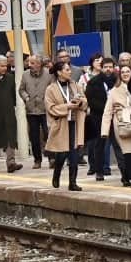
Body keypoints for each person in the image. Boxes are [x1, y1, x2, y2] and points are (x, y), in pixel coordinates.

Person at [44, 60, 87, 191]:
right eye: (67, 70)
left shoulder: (74, 85)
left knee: (74, 153)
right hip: (61, 124)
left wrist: (79, 102)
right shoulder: (50, 89)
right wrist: (67, 106)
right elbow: (50, 107)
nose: (70, 72)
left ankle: (72, 182)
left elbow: (85, 100)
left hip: (74, 122)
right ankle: (56, 174)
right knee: (62, 153)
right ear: (59, 72)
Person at [103, 62, 131, 187]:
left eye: (128, 71)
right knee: (128, 152)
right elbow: (107, 111)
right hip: (121, 124)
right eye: (123, 72)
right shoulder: (114, 91)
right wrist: (104, 131)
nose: (126, 74)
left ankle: (126, 175)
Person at [0, 56, 22, 173]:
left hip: (8, 112)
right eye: (2, 66)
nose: (5, 68)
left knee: (10, 137)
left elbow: (13, 94)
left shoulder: (10, 78)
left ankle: (11, 162)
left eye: (6, 65)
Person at [18, 55, 52, 169]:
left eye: (32, 63)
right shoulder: (25, 74)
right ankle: (37, 159)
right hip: (31, 110)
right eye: (29, 63)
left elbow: (53, 89)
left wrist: (48, 100)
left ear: (39, 64)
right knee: (34, 136)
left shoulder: (48, 75)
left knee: (49, 134)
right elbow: (21, 89)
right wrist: (26, 98)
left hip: (46, 110)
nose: (29, 65)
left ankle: (52, 157)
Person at [82, 55, 112, 181]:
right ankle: (99, 170)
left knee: (116, 144)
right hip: (98, 116)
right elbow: (90, 99)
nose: (108, 69)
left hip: (116, 116)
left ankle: (125, 173)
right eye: (105, 67)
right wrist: (106, 109)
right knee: (99, 144)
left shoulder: (117, 80)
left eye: (110, 67)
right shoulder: (93, 82)